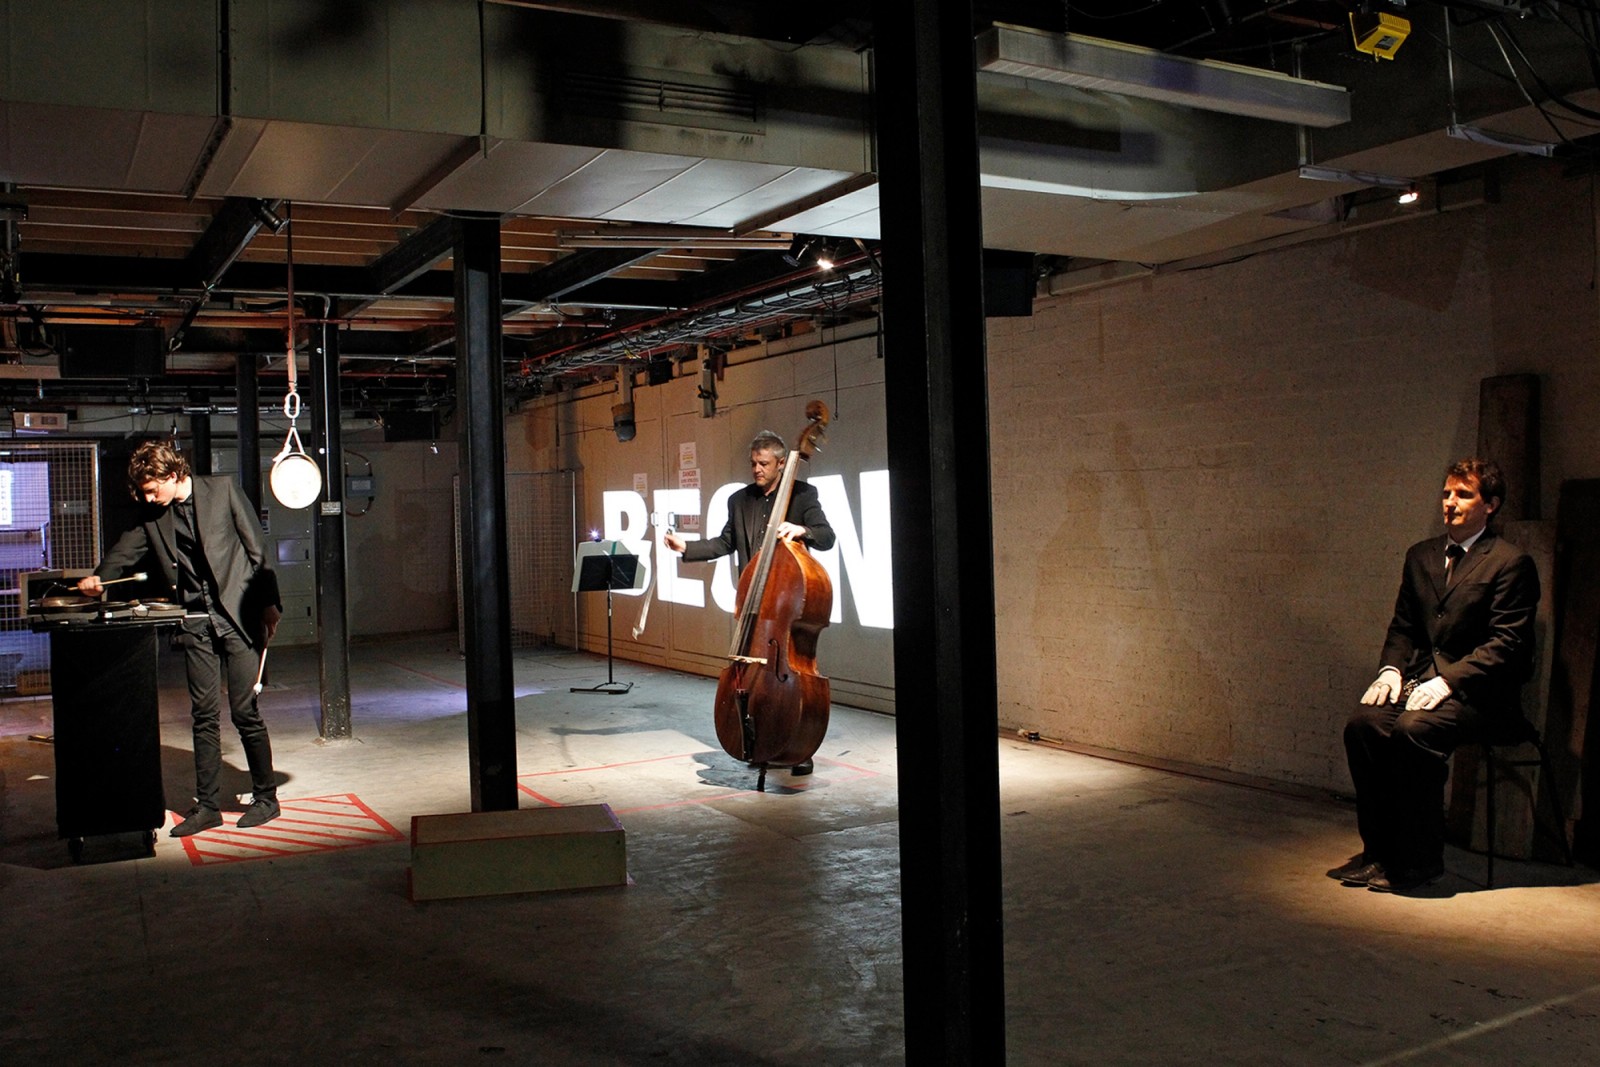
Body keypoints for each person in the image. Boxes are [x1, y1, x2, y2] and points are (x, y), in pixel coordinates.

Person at [1330, 458, 1540, 893]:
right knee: (1363, 726)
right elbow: (1404, 626)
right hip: (1420, 682)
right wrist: (1390, 670)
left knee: (1413, 731)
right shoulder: (1421, 555)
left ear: (1491, 505)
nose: (1450, 502)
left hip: (1480, 696)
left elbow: (1507, 644)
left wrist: (1448, 681)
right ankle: (1379, 854)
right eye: (1446, 493)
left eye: (1463, 494)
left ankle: (1418, 862)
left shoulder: (1510, 562)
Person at [78, 440, 283, 836]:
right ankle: (207, 806)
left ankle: (266, 797)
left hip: (237, 616)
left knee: (244, 712)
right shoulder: (154, 515)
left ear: (173, 476)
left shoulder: (221, 490)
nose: (148, 497)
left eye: (153, 488)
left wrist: (269, 605)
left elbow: (257, 551)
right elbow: (125, 551)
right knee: (203, 716)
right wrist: (98, 579)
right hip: (194, 620)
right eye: (144, 491)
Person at [663, 429, 836, 776]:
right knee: (750, 675)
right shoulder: (739, 500)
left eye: (764, 463)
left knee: (788, 672)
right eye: (753, 463)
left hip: (785, 604)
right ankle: (758, 737)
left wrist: (802, 531)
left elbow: (827, 536)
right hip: (753, 602)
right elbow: (726, 542)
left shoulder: (803, 496)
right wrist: (688, 548)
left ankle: (797, 744)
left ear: (782, 463)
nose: (756, 469)